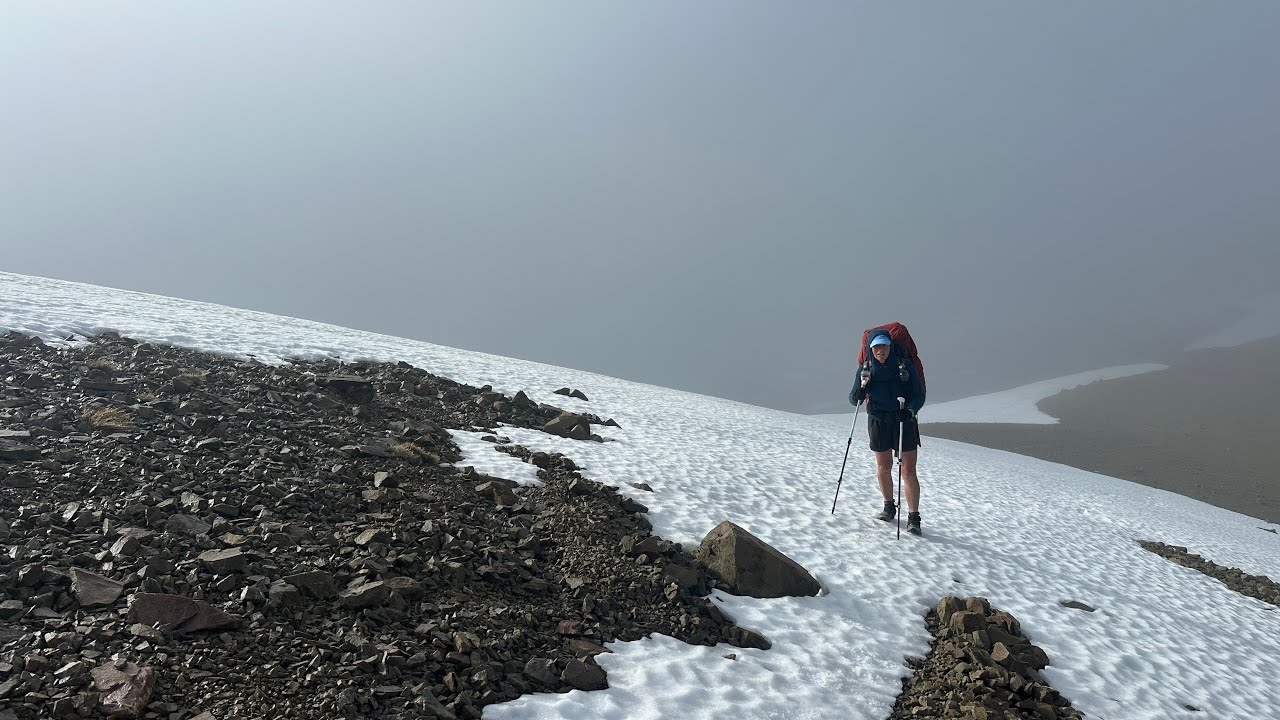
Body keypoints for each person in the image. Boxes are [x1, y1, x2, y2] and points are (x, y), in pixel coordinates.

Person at [850, 331, 926, 535]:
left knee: (908, 471)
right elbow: (852, 397)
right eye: (876, 347)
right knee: (884, 467)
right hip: (878, 421)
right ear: (870, 349)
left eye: (883, 346)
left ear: (890, 347)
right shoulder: (865, 369)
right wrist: (858, 394)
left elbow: (919, 396)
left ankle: (913, 518)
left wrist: (909, 411)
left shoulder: (904, 366)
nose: (880, 350)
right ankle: (888, 507)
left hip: (904, 421)